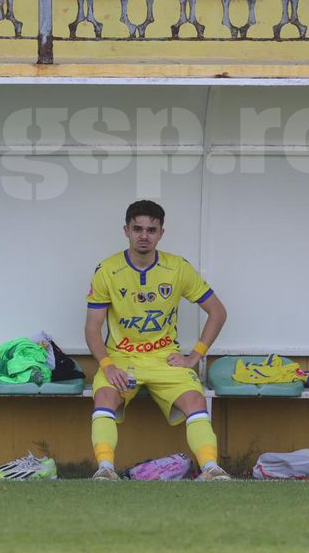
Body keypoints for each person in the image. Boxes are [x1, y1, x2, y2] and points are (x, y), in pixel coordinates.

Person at [85, 200, 230, 481]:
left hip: (164, 359)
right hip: (122, 360)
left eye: (151, 230)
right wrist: (107, 365)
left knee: (195, 400)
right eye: (137, 229)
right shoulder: (107, 270)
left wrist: (194, 356)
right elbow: (92, 329)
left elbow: (218, 312)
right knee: (104, 396)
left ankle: (211, 469)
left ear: (161, 233)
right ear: (126, 230)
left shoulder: (177, 268)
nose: (144, 236)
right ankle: (105, 469)